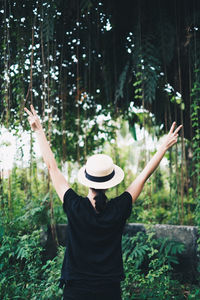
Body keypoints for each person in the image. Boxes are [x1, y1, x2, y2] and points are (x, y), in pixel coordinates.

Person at [24, 105, 182, 300]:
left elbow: (52, 168)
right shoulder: (119, 208)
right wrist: (163, 147)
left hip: (76, 290)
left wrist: (39, 131)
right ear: (110, 183)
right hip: (109, 291)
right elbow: (144, 176)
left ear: (87, 179)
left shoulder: (74, 206)